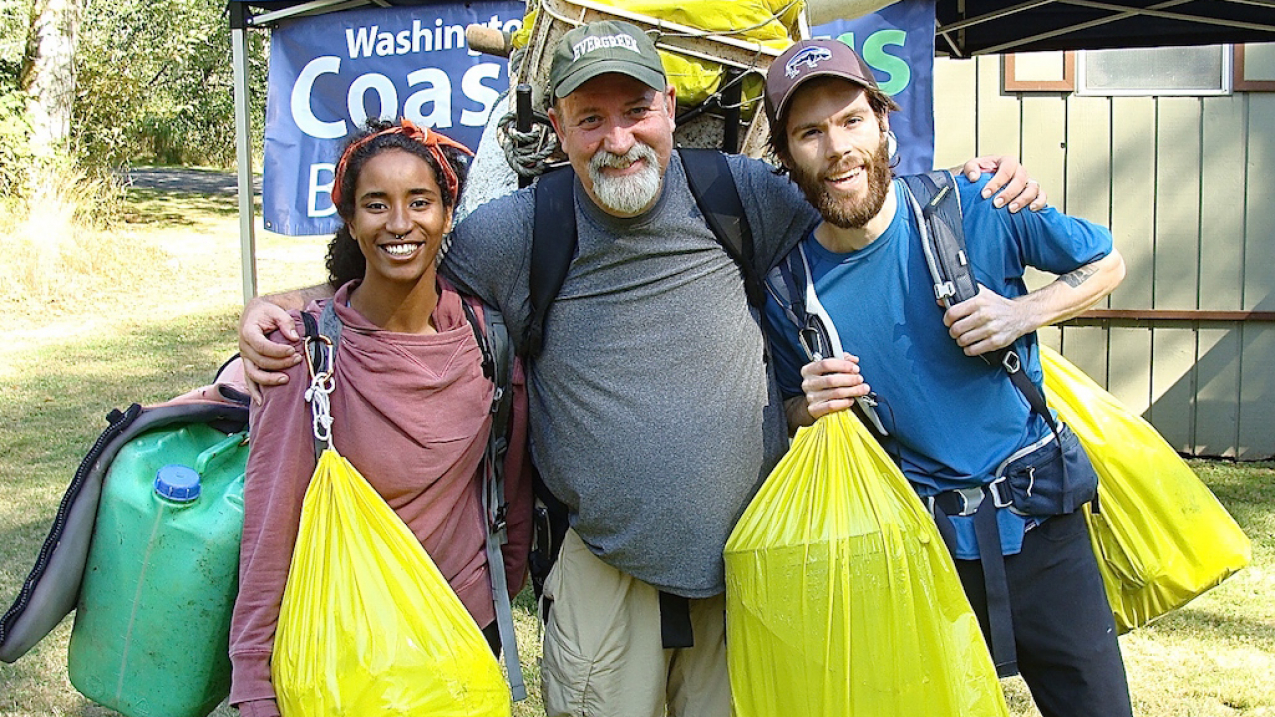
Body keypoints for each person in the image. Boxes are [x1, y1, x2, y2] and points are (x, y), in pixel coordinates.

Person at [236, 21, 1044, 717]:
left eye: (634, 111)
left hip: (747, 570)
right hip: (604, 578)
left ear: (668, 107)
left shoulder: (737, 194)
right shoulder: (519, 231)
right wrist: (286, 305)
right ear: (558, 127)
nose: (617, 139)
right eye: (590, 118)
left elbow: (859, 207)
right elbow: (401, 268)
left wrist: (967, 189)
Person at [761, 39, 1132, 716]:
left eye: (851, 120)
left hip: (1042, 528)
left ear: (883, 124)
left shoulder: (978, 204)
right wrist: (806, 408)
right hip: (914, 554)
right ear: (786, 157)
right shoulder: (788, 289)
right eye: (810, 133)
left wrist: (1021, 312)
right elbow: (789, 408)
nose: (837, 148)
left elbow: (1106, 262)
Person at [227, 119, 533, 717]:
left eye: (419, 202)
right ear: (349, 219)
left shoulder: (487, 341)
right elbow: (269, 527)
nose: (399, 223)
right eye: (375, 205)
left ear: (447, 214)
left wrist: (502, 591)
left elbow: (509, 484)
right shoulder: (308, 357)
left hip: (463, 637)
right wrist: (254, 680)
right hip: (352, 648)